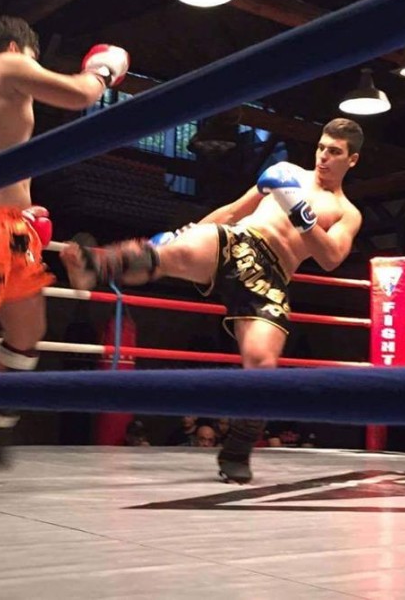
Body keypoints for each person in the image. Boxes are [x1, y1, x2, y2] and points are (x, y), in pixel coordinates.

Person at [61, 117, 363, 484]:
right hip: (237, 240)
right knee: (173, 253)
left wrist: (298, 209)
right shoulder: (286, 172)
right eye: (321, 148)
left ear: (352, 160)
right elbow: (234, 211)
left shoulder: (347, 212)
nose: (324, 157)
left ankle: (237, 450)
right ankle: (94, 266)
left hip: (271, 276)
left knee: (262, 364)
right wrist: (189, 231)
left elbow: (331, 257)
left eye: (335, 152)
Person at [0, 15, 130, 495]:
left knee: (27, 332)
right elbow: (79, 94)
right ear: (19, 48)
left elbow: (8, 159)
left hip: (13, 227)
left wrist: (26, 209)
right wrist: (103, 69)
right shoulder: (4, 65)